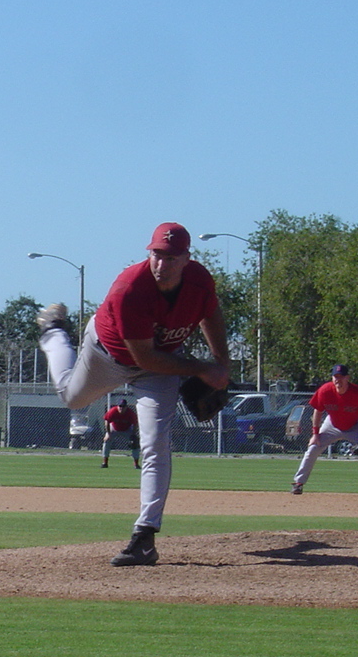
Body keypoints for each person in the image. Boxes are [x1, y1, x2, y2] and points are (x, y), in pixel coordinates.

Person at [38, 222, 230, 567]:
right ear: (149, 253)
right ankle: (54, 334)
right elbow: (144, 357)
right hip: (108, 356)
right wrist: (202, 369)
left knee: (156, 443)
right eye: (156, 253)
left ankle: (145, 536)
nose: (162, 262)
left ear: (186, 258)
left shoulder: (199, 281)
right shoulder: (129, 288)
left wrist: (221, 363)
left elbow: (211, 314)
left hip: (163, 365)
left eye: (171, 256)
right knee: (72, 397)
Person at [291, 365, 358, 497]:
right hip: (331, 424)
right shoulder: (325, 390)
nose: (338, 380)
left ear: (347, 378)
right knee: (312, 448)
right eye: (335, 377)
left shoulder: (357, 393)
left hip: (355, 426)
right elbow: (318, 410)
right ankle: (298, 483)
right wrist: (315, 434)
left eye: (341, 377)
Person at [101, 399, 140, 469]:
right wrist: (108, 434)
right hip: (114, 427)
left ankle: (136, 464)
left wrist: (133, 435)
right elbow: (107, 422)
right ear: (117, 406)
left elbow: (135, 425)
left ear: (126, 407)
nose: (121, 408)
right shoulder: (113, 411)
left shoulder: (130, 413)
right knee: (106, 441)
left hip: (127, 429)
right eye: (120, 406)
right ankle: (105, 463)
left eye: (123, 406)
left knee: (135, 443)